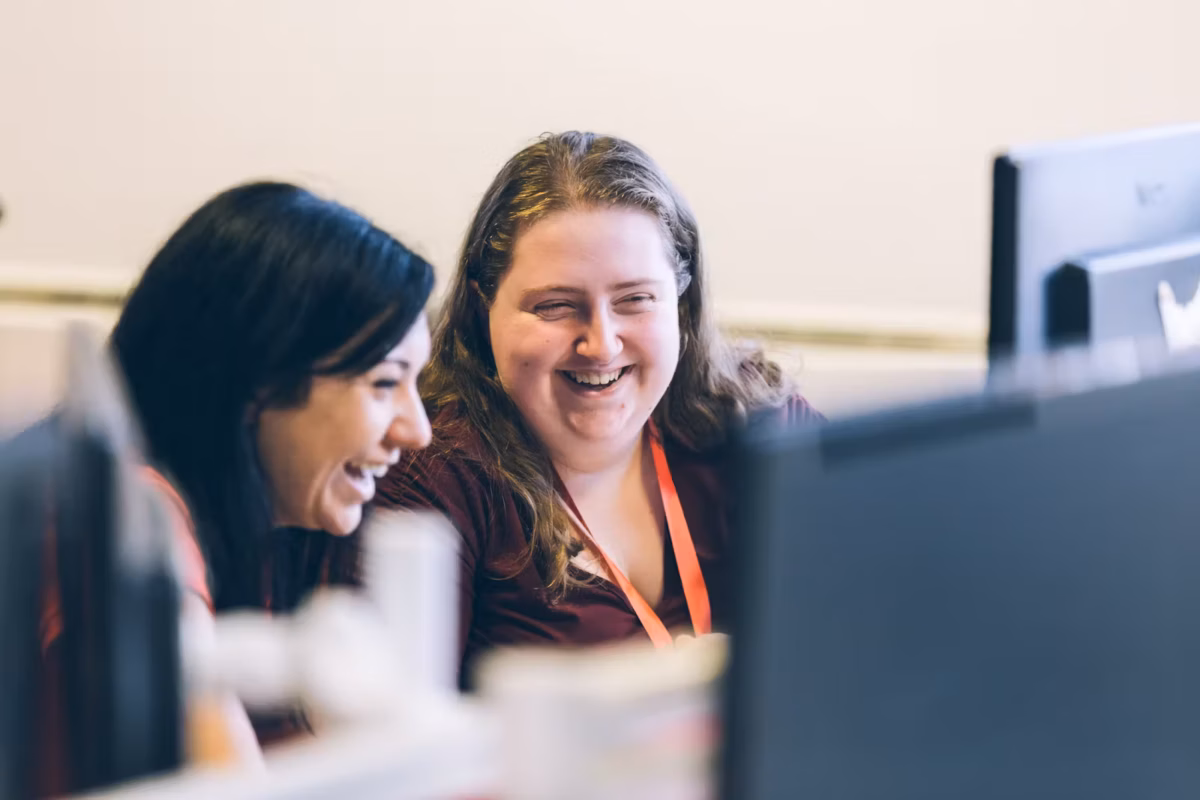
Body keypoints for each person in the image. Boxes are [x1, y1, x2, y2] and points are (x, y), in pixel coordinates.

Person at [375, 131, 821, 688]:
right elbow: (397, 748)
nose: (601, 345)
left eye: (634, 299)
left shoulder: (760, 421)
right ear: (482, 304)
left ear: (680, 303)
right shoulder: (430, 476)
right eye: (556, 306)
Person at [37, 181, 436, 795]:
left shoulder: (207, 511)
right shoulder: (140, 526)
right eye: (385, 383)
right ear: (260, 382)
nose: (419, 431)